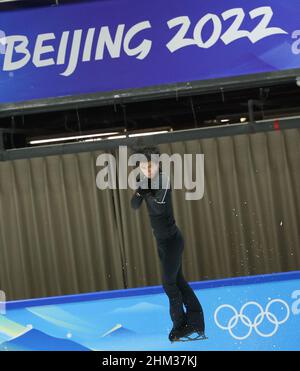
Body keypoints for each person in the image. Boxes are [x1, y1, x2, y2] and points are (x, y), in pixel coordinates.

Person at [130, 146, 206, 342]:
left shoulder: (163, 180)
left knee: (169, 284)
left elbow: (157, 207)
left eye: (150, 165)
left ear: (157, 165)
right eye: (143, 166)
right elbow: (134, 205)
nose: (147, 169)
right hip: (162, 243)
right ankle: (195, 323)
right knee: (178, 281)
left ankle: (182, 325)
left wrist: (144, 192)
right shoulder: (144, 182)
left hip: (173, 241)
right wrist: (141, 191)